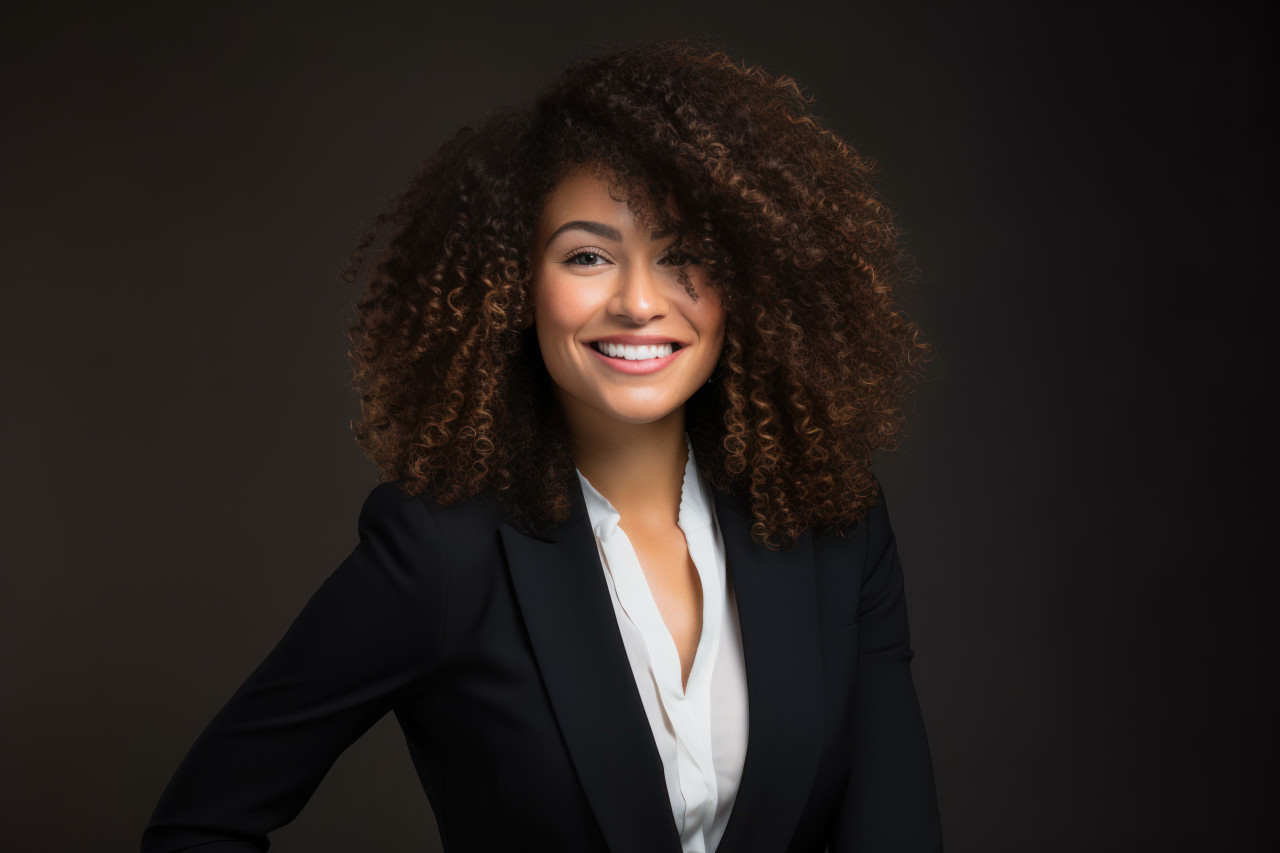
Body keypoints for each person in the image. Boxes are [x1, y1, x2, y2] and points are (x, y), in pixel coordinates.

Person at [141, 38, 942, 853]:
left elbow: (896, 832)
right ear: (515, 285)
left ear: (749, 280)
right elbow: (198, 826)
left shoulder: (835, 523)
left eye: (684, 256)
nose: (638, 301)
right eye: (588, 256)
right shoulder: (442, 552)